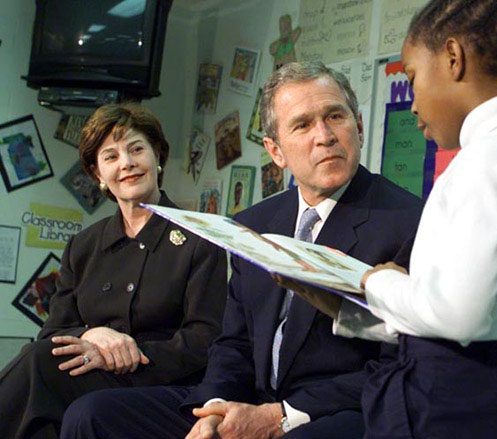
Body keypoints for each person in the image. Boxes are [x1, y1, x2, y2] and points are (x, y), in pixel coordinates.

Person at [60, 62, 424, 439]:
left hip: (330, 412)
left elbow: (401, 362)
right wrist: (216, 408)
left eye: (335, 116)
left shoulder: (408, 221)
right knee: (92, 415)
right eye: (302, 125)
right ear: (275, 151)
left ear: (359, 127)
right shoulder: (254, 222)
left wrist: (279, 416)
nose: (325, 136)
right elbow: (233, 342)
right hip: (248, 400)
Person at [286, 1, 497, 438]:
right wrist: (348, 308)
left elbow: (458, 315)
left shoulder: (489, 159)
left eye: (412, 77)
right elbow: (464, 320)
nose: (412, 105)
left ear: (453, 58)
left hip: (448, 406)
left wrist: (374, 282)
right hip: (479, 390)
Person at [0, 103, 227, 439]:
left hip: (163, 382)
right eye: (111, 157)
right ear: (97, 174)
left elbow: (205, 340)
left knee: (38, 368)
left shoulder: (200, 238)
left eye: (136, 149)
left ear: (157, 156)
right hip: (90, 379)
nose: (127, 163)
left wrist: (128, 353)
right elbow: (53, 333)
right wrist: (90, 336)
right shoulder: (83, 245)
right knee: (41, 410)